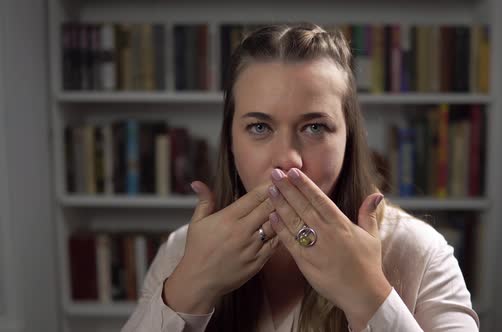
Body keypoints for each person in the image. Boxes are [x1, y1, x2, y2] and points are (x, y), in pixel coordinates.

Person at [122, 23, 479, 332]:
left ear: (348, 139)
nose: (288, 160)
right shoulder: (182, 250)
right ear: (230, 141)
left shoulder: (420, 251)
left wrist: (369, 297)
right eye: (259, 127)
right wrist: (190, 286)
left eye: (314, 127)